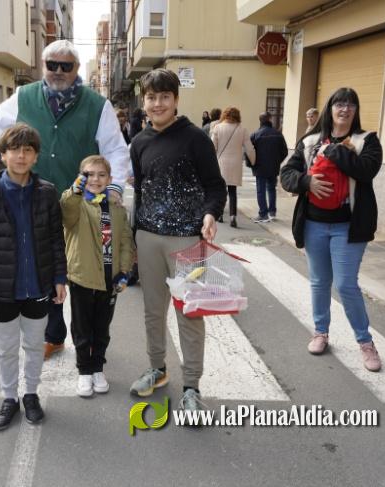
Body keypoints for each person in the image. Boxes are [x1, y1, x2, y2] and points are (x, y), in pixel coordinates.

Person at [0, 39, 131, 361]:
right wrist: (5, 151)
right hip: (36, 197)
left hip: (82, 204)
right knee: (44, 265)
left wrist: (115, 187)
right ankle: (53, 335)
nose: (59, 71)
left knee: (81, 270)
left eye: (66, 66)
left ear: (76, 69)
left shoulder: (97, 105)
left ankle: (87, 338)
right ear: (43, 66)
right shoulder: (24, 96)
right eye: (52, 65)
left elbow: (116, 149)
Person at [129, 69, 226, 412]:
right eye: (151, 97)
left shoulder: (195, 138)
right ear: (144, 102)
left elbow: (215, 186)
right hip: (148, 238)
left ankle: (192, 387)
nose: (157, 103)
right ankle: (157, 369)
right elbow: (140, 191)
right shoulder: (139, 142)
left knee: (189, 315)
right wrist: (134, 239)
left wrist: (210, 214)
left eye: (164, 97)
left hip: (186, 240)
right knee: (153, 311)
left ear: (176, 100)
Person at [0, 123, 67, 431]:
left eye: (27, 150)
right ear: (2, 154)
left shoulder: (46, 193)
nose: (21, 156)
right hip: (2, 290)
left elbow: (56, 239)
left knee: (35, 347)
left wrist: (59, 277)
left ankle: (31, 395)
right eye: (14, 150)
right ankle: (9, 397)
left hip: (38, 287)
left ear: (36, 156)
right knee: (5, 349)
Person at [280, 87, 383, 372]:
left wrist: (335, 151)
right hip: (314, 224)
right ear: (330, 108)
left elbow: (366, 170)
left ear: (356, 110)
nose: (345, 109)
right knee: (319, 281)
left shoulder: (367, 141)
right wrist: (306, 182)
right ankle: (320, 333)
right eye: (339, 103)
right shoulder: (311, 140)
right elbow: (286, 174)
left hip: (348, 227)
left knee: (346, 285)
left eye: (351, 104)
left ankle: (365, 343)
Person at [60, 155, 134, 397]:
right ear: (81, 177)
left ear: (110, 179)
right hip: (82, 277)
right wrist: (74, 191)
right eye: (89, 174)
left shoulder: (116, 208)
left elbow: (125, 241)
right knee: (82, 328)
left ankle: (97, 368)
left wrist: (124, 271)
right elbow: (67, 211)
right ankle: (84, 370)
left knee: (102, 328)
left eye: (101, 175)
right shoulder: (76, 204)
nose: (95, 179)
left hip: (110, 280)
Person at [211, 106, 255, 228]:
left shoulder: (217, 128)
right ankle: (233, 216)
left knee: (221, 190)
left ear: (224, 115)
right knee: (232, 191)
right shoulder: (242, 129)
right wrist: (253, 161)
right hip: (235, 164)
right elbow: (249, 148)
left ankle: (220, 214)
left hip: (221, 163)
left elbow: (212, 147)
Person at [250, 112, 288, 223]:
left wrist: (252, 164)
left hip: (259, 167)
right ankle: (272, 212)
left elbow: (249, 152)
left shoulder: (255, 134)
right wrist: (277, 161)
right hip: (273, 167)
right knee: (271, 189)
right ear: (270, 119)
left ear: (260, 120)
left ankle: (263, 214)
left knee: (261, 191)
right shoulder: (278, 134)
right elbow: (284, 151)